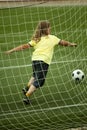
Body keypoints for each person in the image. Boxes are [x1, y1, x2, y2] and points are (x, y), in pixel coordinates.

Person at [6, 20, 77, 104]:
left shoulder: (37, 39)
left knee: (35, 76)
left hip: (35, 60)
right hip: (43, 62)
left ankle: (27, 88)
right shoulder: (52, 38)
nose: (50, 28)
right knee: (40, 81)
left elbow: (24, 46)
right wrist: (71, 44)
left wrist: (12, 50)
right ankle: (27, 96)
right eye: (49, 27)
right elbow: (63, 43)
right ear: (45, 29)